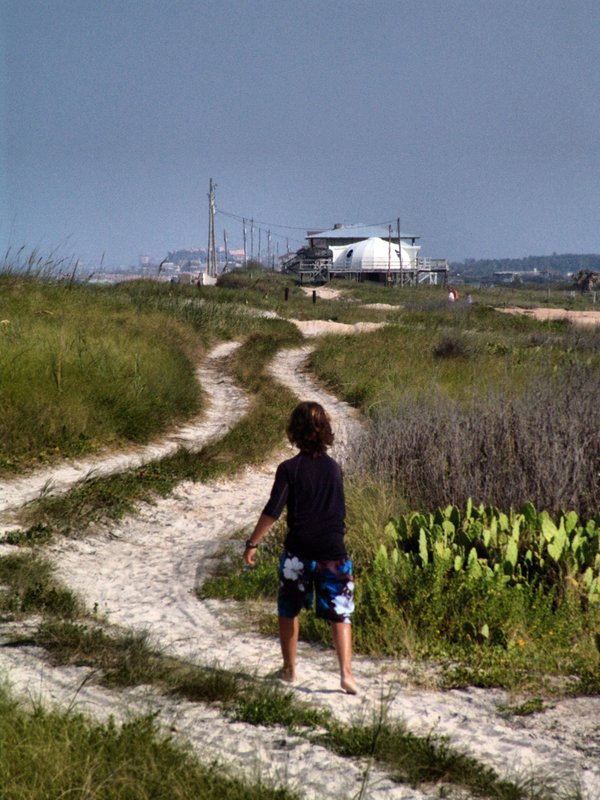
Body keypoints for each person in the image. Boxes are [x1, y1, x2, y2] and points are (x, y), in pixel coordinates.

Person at [243, 401, 358, 695]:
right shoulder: (334, 469)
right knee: (340, 613)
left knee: (289, 609)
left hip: (298, 553)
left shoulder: (289, 469)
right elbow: (339, 512)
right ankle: (346, 675)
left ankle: (290, 669)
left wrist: (253, 542)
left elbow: (273, 509)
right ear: (325, 431)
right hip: (334, 552)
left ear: (295, 431)